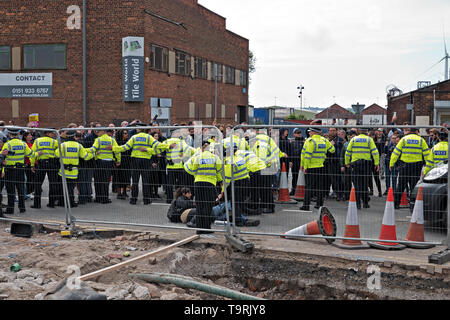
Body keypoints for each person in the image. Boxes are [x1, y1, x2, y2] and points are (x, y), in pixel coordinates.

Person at [113, 123, 163, 205]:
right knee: (145, 181)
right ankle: (146, 200)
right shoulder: (149, 137)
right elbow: (159, 146)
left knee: (135, 181)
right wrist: (168, 145)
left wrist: (114, 148)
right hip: (146, 161)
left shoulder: (134, 137)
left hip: (135, 161)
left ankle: (133, 199)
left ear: (139, 129)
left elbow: (125, 147)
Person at [184, 140, 223, 234]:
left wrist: (195, 175)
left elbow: (189, 167)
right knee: (208, 206)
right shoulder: (215, 158)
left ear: (202, 148)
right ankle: (206, 228)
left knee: (200, 206)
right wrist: (219, 180)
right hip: (210, 184)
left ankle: (199, 229)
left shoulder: (197, 157)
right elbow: (219, 170)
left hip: (198, 183)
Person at [389, 127, 431, 209]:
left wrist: (391, 164)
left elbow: (396, 152)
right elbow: (427, 154)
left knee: (401, 185)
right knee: (413, 186)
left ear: (410, 131)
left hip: (404, 166)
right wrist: (428, 166)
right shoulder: (421, 140)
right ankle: (413, 205)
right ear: (416, 131)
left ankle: (396, 204)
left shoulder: (404, 139)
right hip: (416, 166)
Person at [299, 127, 335, 211]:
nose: (309, 133)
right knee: (320, 187)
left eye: (310, 132)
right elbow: (332, 150)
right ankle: (319, 204)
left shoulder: (310, 141)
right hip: (321, 167)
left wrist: (304, 166)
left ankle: (306, 205)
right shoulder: (324, 140)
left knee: (309, 187)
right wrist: (331, 144)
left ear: (313, 132)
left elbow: (306, 155)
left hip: (311, 167)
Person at [1, 127, 35, 214]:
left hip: (10, 170)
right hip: (20, 169)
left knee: (11, 190)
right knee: (20, 189)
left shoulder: (7, 144)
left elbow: (2, 157)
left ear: (9, 134)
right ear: (18, 134)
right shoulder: (23, 144)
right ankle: (22, 208)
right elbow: (31, 154)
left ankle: (10, 209)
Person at [55, 131, 93, 207]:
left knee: (63, 187)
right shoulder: (78, 146)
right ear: (74, 136)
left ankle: (62, 202)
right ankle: (71, 203)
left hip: (63, 171)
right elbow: (85, 157)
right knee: (71, 188)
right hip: (73, 171)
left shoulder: (62, 145)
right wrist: (94, 154)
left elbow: (56, 154)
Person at [345, 127, 380, 209]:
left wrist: (347, 162)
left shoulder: (353, 140)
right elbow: (375, 152)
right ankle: (365, 203)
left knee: (356, 184)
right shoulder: (369, 140)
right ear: (366, 132)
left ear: (358, 131)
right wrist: (376, 163)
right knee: (364, 184)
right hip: (366, 164)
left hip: (355, 164)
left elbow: (348, 152)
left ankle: (357, 204)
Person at [90, 127, 121, 204]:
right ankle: (105, 198)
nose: (97, 133)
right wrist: (118, 160)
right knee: (106, 181)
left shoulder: (98, 140)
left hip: (99, 163)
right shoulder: (112, 140)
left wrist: (95, 155)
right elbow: (117, 151)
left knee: (98, 180)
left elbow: (93, 150)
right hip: (109, 163)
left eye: (98, 131)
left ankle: (98, 198)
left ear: (103, 132)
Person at [30, 129, 59, 209]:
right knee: (53, 183)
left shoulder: (37, 141)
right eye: (51, 133)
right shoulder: (54, 142)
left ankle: (37, 204)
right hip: (52, 164)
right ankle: (51, 203)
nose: (53, 134)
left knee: (38, 184)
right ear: (47, 133)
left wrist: (32, 164)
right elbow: (59, 152)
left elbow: (33, 153)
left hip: (41, 164)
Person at [115, 129, 132, 199]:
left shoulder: (128, 142)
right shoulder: (117, 143)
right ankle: (119, 193)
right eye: (125, 133)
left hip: (127, 163)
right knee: (119, 178)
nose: (127, 134)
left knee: (126, 177)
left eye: (127, 133)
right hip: (120, 163)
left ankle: (124, 192)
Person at [340, 130, 357, 200]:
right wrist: (342, 165)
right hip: (347, 166)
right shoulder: (345, 145)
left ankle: (357, 196)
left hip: (355, 165)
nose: (350, 137)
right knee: (346, 182)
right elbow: (342, 156)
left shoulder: (358, 144)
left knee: (356, 181)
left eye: (352, 135)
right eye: (349, 136)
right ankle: (347, 195)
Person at [289, 128, 305, 196]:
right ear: (294, 134)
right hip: (294, 162)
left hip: (301, 162)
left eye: (300, 133)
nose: (299, 134)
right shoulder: (292, 143)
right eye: (297, 133)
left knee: (302, 176)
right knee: (294, 176)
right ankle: (293, 190)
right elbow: (291, 152)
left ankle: (302, 191)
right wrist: (291, 161)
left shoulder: (303, 142)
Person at [22, 131, 35, 199]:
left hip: (33, 163)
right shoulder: (24, 144)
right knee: (28, 179)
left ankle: (31, 191)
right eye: (29, 135)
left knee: (33, 178)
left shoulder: (33, 143)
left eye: (31, 135)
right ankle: (28, 192)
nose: (31, 136)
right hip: (26, 164)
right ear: (25, 137)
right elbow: (24, 153)